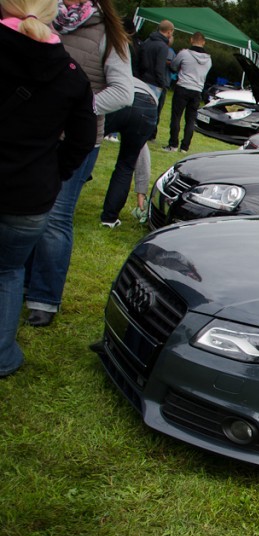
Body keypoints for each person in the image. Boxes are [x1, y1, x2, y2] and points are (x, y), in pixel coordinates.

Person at [22, 0, 132, 328]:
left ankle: (44, 298)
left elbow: (123, 92)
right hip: (36, 135)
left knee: (55, 218)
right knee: (27, 212)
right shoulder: (42, 18)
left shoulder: (108, 34)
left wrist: (77, 107)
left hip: (77, 139)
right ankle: (21, 283)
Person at [1, 0, 96, 376]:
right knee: (7, 272)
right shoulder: (71, 74)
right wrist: (53, 173)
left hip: (31, 190)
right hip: (29, 195)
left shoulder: (69, 71)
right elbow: (83, 139)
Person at [99, 76, 158, 227]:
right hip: (148, 105)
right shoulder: (137, 83)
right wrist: (141, 190)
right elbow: (141, 149)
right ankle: (109, 219)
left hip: (118, 100)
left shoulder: (108, 77)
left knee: (86, 146)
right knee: (126, 165)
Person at [165, 31, 211, 153]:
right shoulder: (208, 59)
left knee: (176, 117)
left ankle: (173, 144)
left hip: (183, 87)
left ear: (191, 40)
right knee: (190, 120)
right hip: (197, 90)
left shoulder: (184, 53)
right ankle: (185, 147)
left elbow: (173, 66)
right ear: (204, 42)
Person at [137, 18, 171, 100]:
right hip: (153, 83)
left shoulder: (147, 41)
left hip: (140, 79)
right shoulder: (163, 47)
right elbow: (159, 68)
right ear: (169, 32)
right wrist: (162, 84)